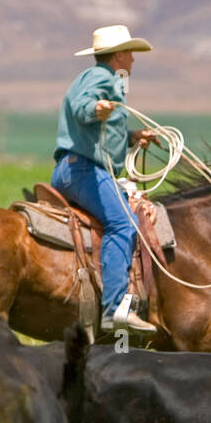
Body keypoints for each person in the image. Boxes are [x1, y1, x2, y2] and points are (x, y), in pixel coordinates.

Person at [51, 25, 158, 335]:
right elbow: (85, 108)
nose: (134, 61)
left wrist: (131, 137)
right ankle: (114, 309)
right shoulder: (104, 78)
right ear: (121, 54)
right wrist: (95, 109)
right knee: (123, 223)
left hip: (69, 168)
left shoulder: (93, 76)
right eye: (132, 54)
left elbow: (97, 132)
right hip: (84, 170)